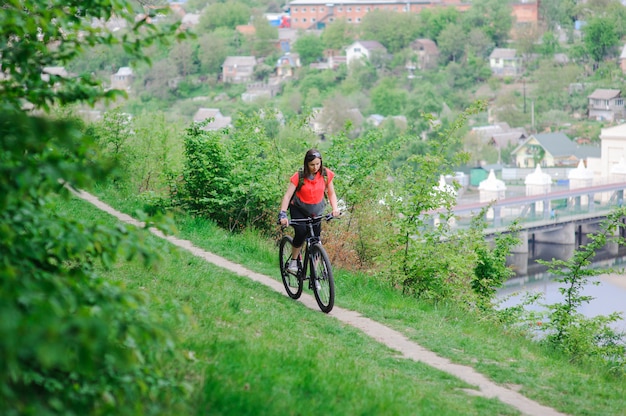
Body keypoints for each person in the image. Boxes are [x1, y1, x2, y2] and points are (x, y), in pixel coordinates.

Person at [279, 149, 340, 273]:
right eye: (312, 164)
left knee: (316, 240)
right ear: (306, 164)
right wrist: (283, 214)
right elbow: (287, 196)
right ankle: (294, 262)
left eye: (318, 164)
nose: (315, 167)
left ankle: (314, 272)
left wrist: (335, 209)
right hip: (299, 209)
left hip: (316, 210)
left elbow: (331, 193)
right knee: (301, 233)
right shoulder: (299, 176)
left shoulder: (325, 174)